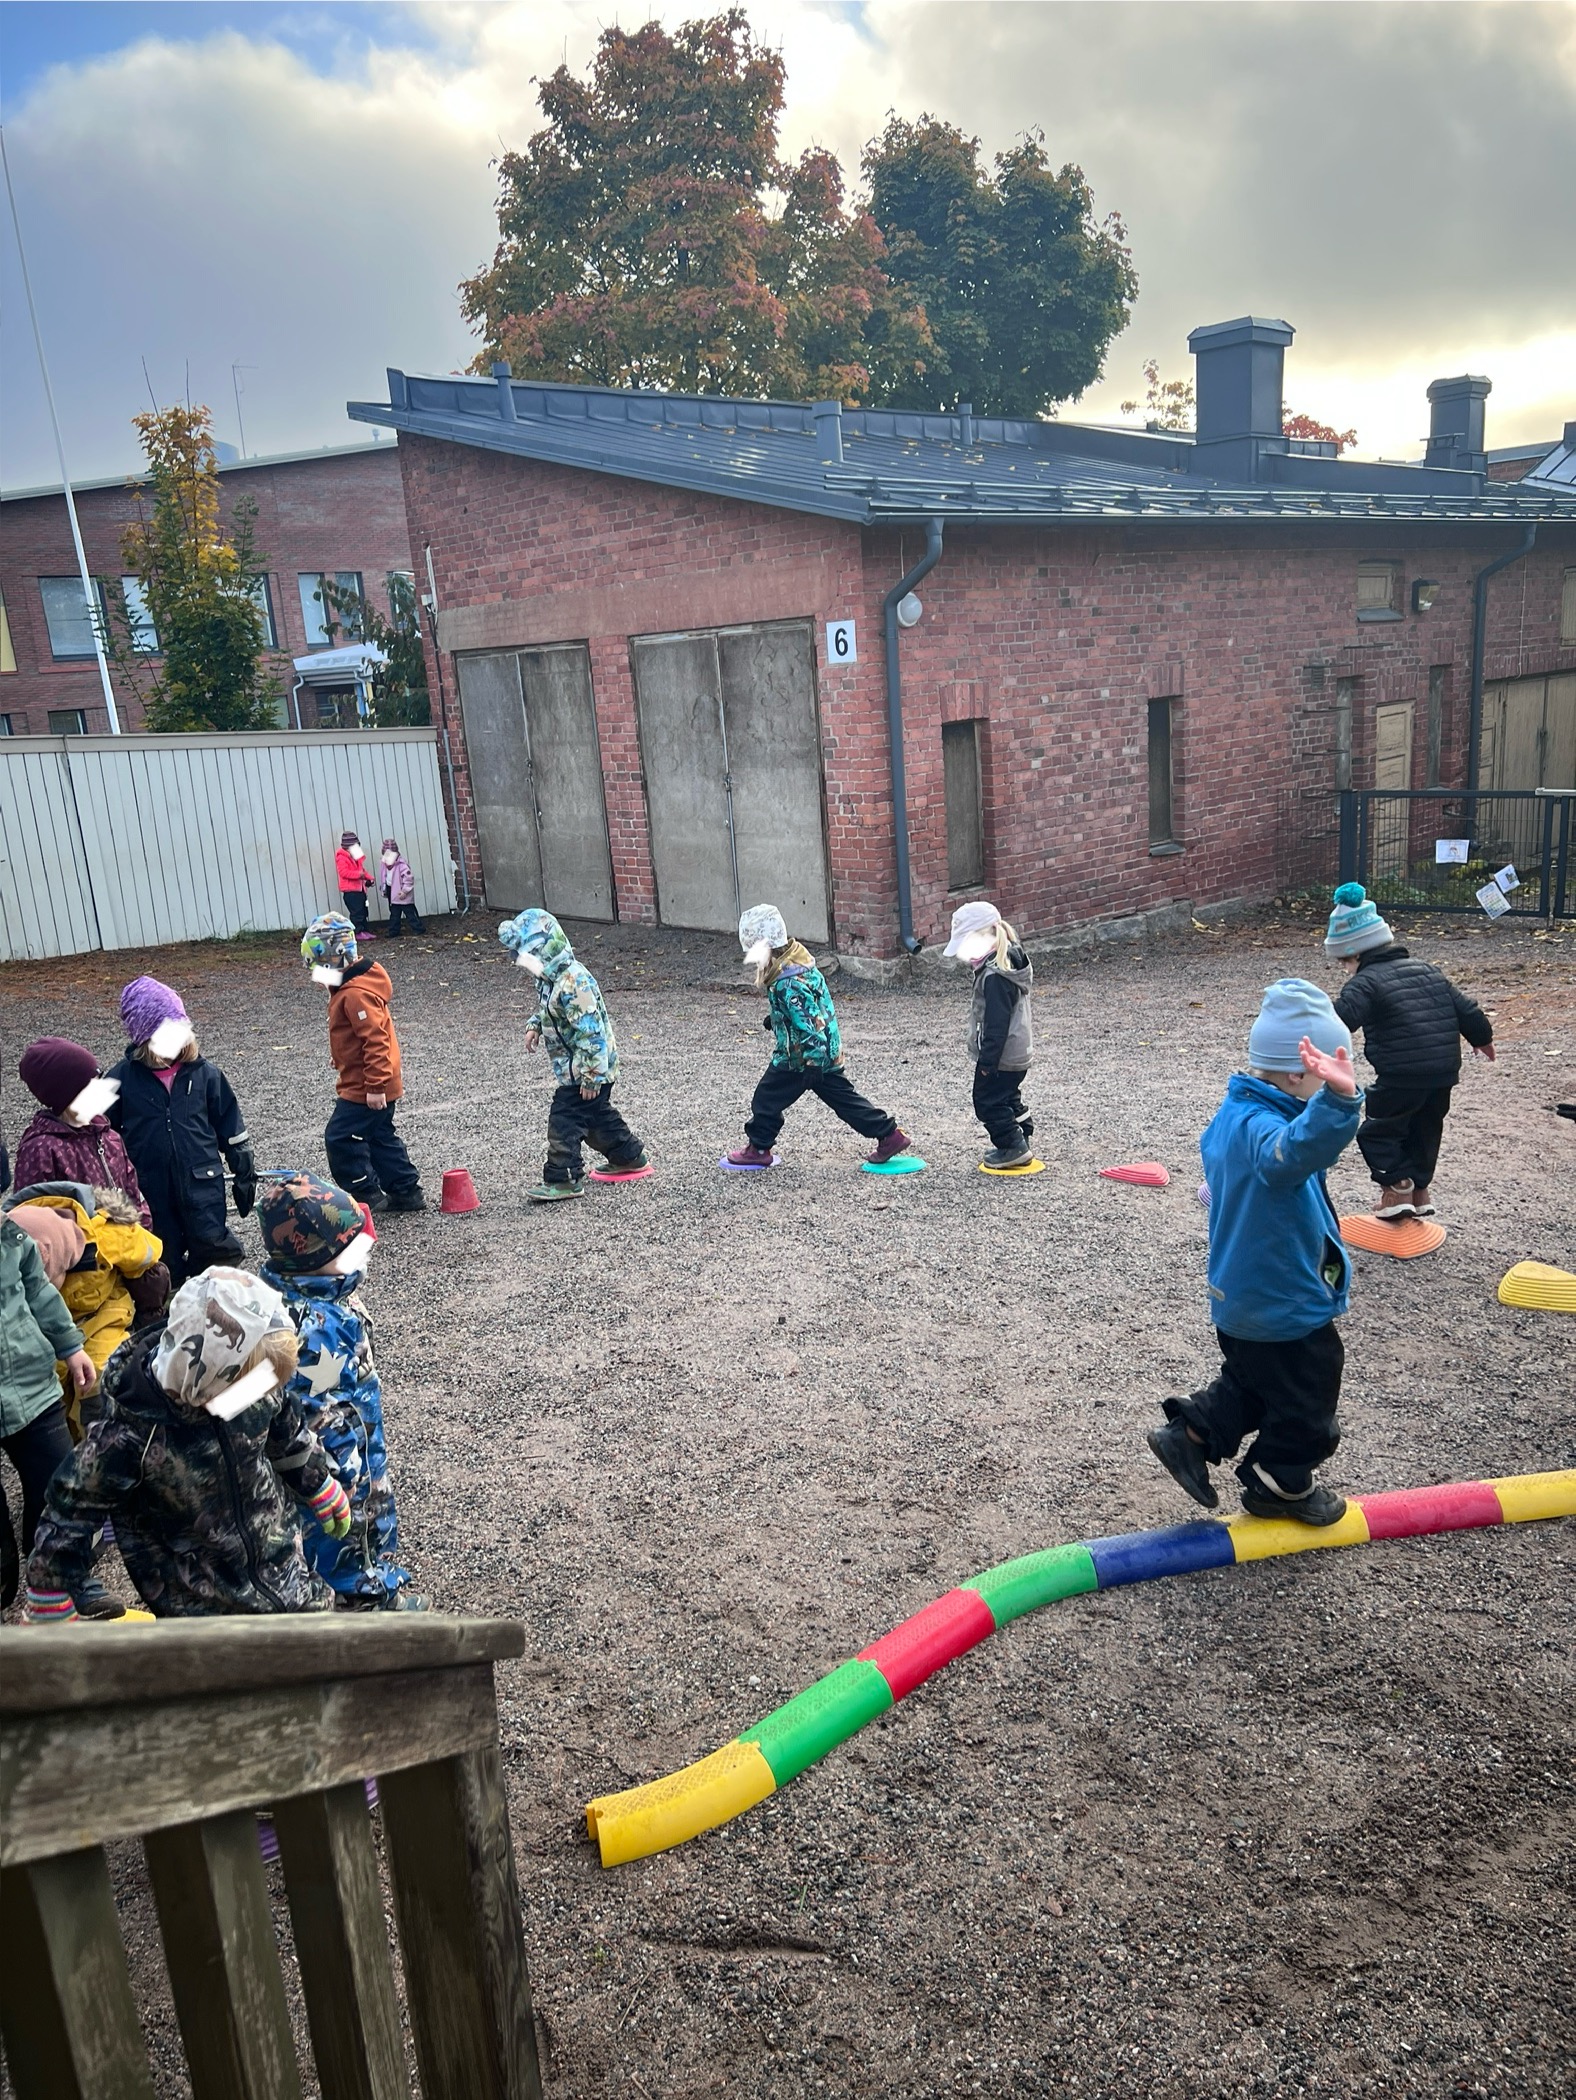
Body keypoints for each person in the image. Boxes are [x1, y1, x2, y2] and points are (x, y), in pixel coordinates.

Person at [1147, 979, 1362, 1528]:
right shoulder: (1268, 1129)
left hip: (1244, 1294)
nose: (1329, 1085)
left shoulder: (1236, 1112)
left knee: (1255, 1381)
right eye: (1323, 1077)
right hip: (1280, 1295)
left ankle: (1190, 1435)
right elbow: (1289, 1155)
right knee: (1309, 1391)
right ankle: (1281, 1483)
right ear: (1296, 1076)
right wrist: (1340, 1103)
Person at [23, 1268, 350, 1621]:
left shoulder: (254, 1382)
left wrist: (316, 1481)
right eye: (255, 1387)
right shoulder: (132, 1434)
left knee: (318, 1630)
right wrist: (50, 1591)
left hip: (280, 1559)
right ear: (207, 1374)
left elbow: (285, 1423)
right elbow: (70, 1508)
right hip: (202, 1598)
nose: (262, 1394)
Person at [257, 1171, 422, 1610]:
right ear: (314, 1255)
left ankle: (357, 1589)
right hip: (339, 1459)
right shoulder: (315, 1326)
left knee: (341, 1530)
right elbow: (320, 1410)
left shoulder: (310, 1293)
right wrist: (345, 1473)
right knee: (348, 1534)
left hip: (338, 1448)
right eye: (348, 1246)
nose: (361, 1251)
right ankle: (363, 1606)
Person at [1324, 884, 1495, 1219]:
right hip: (1443, 1073)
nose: (1345, 968)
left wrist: (1315, 1030)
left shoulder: (1365, 982)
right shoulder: (1428, 970)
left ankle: (1396, 1188)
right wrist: (1482, 1038)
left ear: (1356, 954)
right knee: (1425, 1130)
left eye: (1344, 961)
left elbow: (1342, 1020)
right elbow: (1467, 1009)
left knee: (1379, 1131)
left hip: (1400, 1075)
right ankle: (1420, 1192)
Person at [724, 904, 909, 1170]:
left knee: (766, 1099)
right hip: (825, 1053)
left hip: (800, 1057)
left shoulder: (788, 982)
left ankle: (759, 1148)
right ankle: (890, 1136)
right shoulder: (800, 963)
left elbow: (810, 1025)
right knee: (845, 1101)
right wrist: (777, 1019)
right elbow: (813, 1007)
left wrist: (811, 1063)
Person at [108, 976, 256, 1289]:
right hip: (150, 1186)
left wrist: (243, 1166)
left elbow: (229, 1121)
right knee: (163, 1255)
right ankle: (169, 1301)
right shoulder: (120, 1078)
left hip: (202, 1182)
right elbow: (93, 1127)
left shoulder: (205, 1074)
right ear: (144, 1038)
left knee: (213, 1244)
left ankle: (216, 1299)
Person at [499, 908, 648, 1202]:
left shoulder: (575, 983)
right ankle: (629, 1156)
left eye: (525, 957)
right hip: (578, 1070)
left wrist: (591, 1075)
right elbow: (548, 1009)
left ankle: (564, 1177)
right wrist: (535, 1025)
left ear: (543, 951)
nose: (522, 964)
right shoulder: (548, 980)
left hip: (589, 1070)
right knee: (596, 1120)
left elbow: (591, 1032)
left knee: (564, 1119)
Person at [1, 1204, 105, 1612]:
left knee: (58, 1484)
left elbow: (40, 1292)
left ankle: (61, 1576)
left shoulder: (11, 1238)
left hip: (32, 1383)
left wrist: (71, 1346)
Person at [2, 1183, 167, 1437]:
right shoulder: (10, 1247)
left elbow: (148, 1261)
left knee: (102, 1376)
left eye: (48, 1279)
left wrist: (151, 1314)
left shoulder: (107, 1237)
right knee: (52, 1393)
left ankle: (104, 1436)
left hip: (103, 1317)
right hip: (48, 1332)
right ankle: (72, 1443)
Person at [302, 912, 425, 1213]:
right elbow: (355, 1037)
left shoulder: (355, 994)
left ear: (335, 961)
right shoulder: (350, 989)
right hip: (369, 1081)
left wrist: (375, 1086)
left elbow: (376, 1040)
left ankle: (364, 1192)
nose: (317, 977)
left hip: (366, 1087)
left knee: (340, 1137)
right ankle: (406, 1191)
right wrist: (341, 1055)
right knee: (379, 1136)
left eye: (319, 968)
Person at [14, 1038, 150, 1224]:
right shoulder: (41, 1150)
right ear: (63, 1094)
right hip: (80, 1241)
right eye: (90, 1088)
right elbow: (31, 1221)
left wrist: (143, 1229)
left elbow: (134, 1194)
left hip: (126, 1240)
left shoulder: (109, 1136)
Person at [945, 900, 1036, 1169]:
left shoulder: (995, 976)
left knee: (986, 1101)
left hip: (1002, 1055)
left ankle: (1012, 1146)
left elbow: (997, 1025)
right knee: (1008, 1096)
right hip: (1017, 1052)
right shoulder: (1008, 963)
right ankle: (1022, 1134)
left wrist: (987, 1063)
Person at [379, 837, 425, 937]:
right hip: (392, 891)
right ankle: (393, 931)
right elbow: (384, 876)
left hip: (402, 893)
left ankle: (418, 928)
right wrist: (384, 889)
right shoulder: (384, 864)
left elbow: (408, 879)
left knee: (410, 912)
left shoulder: (402, 865)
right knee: (394, 913)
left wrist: (405, 891)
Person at [335, 830, 375, 938]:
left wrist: (370, 878)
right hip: (350, 891)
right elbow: (343, 873)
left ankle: (364, 930)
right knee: (356, 912)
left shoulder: (356, 857)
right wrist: (358, 875)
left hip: (360, 889)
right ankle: (357, 932)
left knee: (363, 911)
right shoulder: (341, 857)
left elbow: (362, 870)